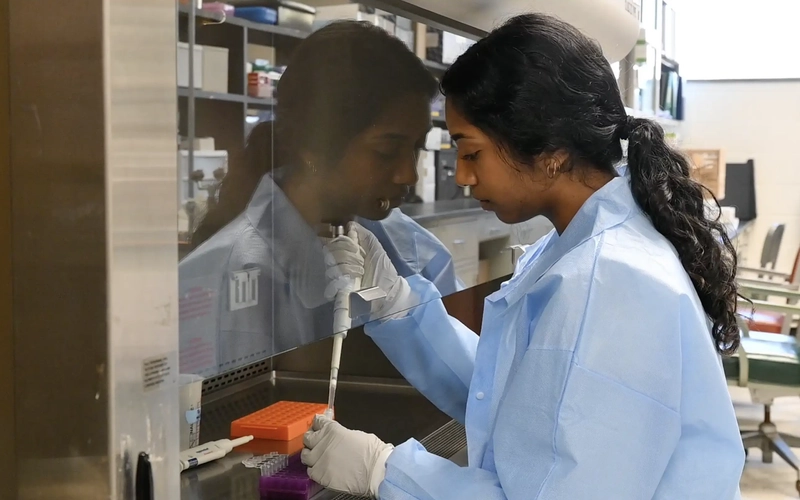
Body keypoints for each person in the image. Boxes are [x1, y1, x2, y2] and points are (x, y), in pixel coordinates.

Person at [303, 13, 745, 499]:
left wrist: (386, 471)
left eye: (471, 153)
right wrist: (394, 301)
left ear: (551, 152)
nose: (464, 177)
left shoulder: (606, 281)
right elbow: (510, 392)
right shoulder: (577, 247)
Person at [179, 21, 460, 378]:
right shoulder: (229, 277)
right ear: (316, 145)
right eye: (387, 151)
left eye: (416, 147)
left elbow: (473, 373)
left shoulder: (405, 245)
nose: (409, 175)